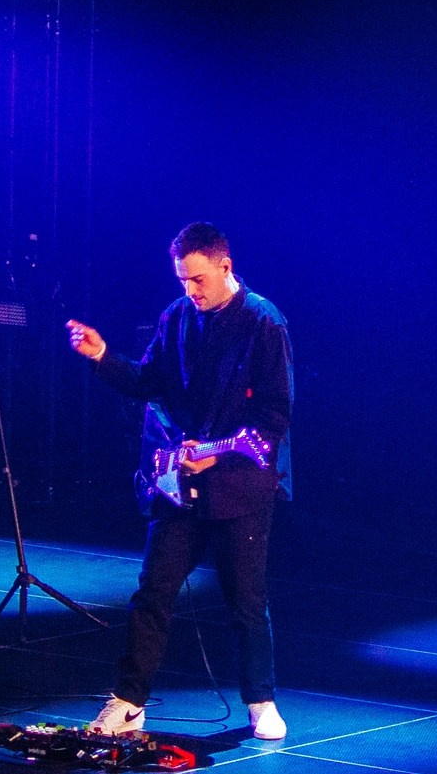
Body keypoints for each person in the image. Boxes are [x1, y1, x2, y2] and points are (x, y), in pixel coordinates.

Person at [66, 222, 293, 742]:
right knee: (153, 592)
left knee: (246, 600)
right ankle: (128, 704)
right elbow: (149, 383)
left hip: (239, 487)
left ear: (224, 266)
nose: (190, 291)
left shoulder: (264, 323)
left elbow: (275, 419)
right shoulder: (177, 318)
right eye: (182, 281)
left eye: (196, 279)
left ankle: (261, 699)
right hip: (179, 487)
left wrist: (216, 455)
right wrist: (103, 358)